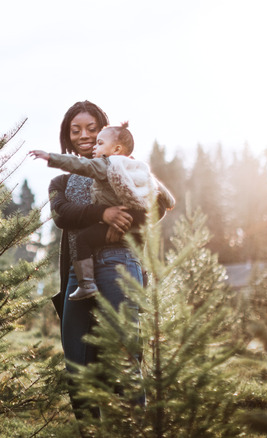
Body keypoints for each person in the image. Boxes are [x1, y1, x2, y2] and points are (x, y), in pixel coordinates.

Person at [46, 101, 143, 416]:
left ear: (105, 130)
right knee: (78, 365)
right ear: (67, 136)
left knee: (125, 359)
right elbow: (63, 214)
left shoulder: (126, 166)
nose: (84, 136)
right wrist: (105, 214)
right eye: (76, 130)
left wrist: (124, 222)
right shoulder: (60, 181)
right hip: (78, 275)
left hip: (119, 265)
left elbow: (151, 204)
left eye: (91, 129)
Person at [30, 122, 174, 300]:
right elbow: (156, 186)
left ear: (116, 149)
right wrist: (170, 201)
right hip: (137, 225)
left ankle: (87, 284)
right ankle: (142, 289)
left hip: (117, 244)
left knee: (83, 239)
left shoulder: (106, 164)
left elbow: (80, 165)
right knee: (138, 249)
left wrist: (50, 158)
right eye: (76, 130)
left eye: (99, 142)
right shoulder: (136, 166)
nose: (93, 146)